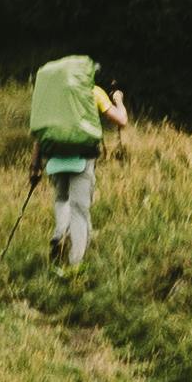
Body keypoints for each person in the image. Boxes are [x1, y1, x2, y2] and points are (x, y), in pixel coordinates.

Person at [25, 53, 127, 267]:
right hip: (82, 158)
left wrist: (36, 163)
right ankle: (75, 265)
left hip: (54, 157)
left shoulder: (54, 97)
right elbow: (121, 120)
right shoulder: (94, 92)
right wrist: (118, 99)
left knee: (62, 199)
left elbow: (41, 132)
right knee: (80, 209)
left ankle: (60, 232)